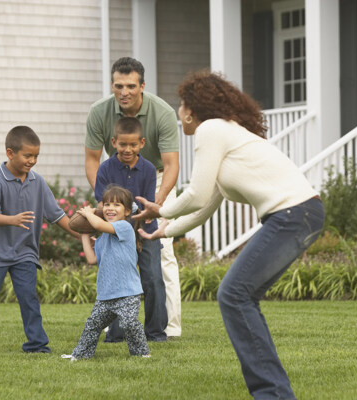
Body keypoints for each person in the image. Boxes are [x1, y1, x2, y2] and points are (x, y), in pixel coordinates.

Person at [134, 71, 325, 399]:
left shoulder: (212, 129)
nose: (178, 113)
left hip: (292, 215)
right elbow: (205, 205)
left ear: (192, 110)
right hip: (300, 215)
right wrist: (163, 232)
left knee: (233, 294)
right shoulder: (226, 136)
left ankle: (273, 394)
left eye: (181, 105)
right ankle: (275, 392)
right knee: (240, 296)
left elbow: (194, 194)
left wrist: (159, 211)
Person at [0, 126, 81, 354]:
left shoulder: (38, 182)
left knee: (29, 299)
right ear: (10, 153)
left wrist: (82, 234)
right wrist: (13, 219)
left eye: (36, 156)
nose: (32, 161)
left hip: (24, 252)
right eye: (28, 156)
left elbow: (57, 215)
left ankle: (36, 345)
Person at [84, 56, 182, 338]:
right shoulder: (99, 112)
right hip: (114, 179)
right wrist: (106, 202)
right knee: (114, 252)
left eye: (130, 86)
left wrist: (156, 205)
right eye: (118, 86)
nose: (123, 92)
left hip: (156, 177)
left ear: (142, 86)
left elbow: (172, 165)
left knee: (162, 253)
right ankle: (114, 324)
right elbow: (92, 160)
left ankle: (167, 327)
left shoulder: (162, 113)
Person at [95, 116, 167, 342]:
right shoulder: (105, 169)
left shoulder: (147, 169)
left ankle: (155, 332)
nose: (128, 149)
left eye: (133, 144)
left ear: (142, 143)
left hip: (145, 230)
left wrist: (136, 235)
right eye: (123, 144)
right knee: (118, 280)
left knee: (153, 278)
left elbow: (145, 205)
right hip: (114, 234)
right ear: (114, 142)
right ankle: (116, 333)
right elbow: (103, 204)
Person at [62, 185, 151, 360]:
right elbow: (91, 259)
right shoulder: (103, 239)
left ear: (126, 211)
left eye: (117, 205)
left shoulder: (125, 228)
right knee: (92, 325)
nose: (110, 208)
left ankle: (141, 353)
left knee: (129, 323)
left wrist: (89, 213)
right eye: (107, 204)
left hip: (127, 292)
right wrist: (85, 234)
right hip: (106, 295)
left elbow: (99, 223)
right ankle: (80, 355)